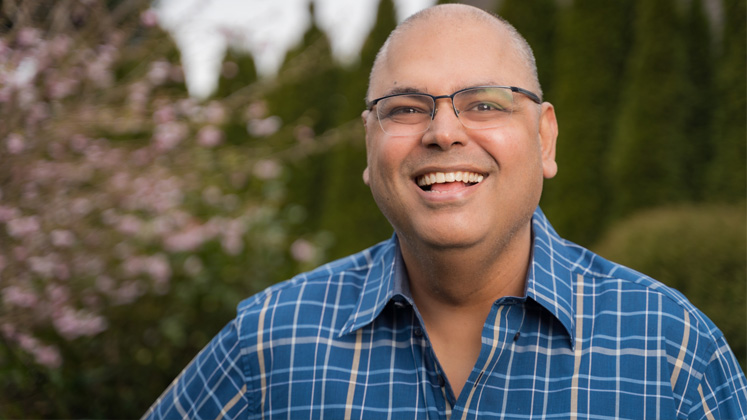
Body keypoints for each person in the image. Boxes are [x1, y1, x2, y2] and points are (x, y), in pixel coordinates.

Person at [143, 4, 747, 419]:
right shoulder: (269, 343)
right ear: (369, 144)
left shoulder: (672, 352)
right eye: (405, 108)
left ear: (545, 139)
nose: (443, 132)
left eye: (484, 104)